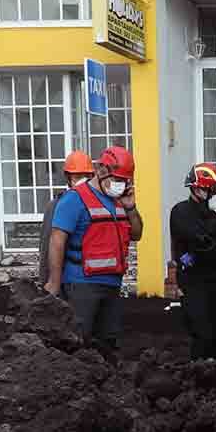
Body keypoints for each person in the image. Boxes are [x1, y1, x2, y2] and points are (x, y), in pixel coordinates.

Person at [43, 145, 144, 353]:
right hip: (81, 285)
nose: (120, 185)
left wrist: (131, 207)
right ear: (101, 171)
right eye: (117, 180)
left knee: (108, 344)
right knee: (79, 342)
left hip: (112, 284)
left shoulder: (120, 201)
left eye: (125, 181)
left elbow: (136, 234)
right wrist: (53, 282)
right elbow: (56, 241)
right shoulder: (74, 199)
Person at [171, 162, 216, 360]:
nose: (214, 195)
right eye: (211, 190)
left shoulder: (211, 215)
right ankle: (198, 375)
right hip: (193, 280)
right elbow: (197, 237)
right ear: (196, 188)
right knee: (202, 334)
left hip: (213, 279)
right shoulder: (181, 212)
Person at [39, 151, 94, 286]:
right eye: (77, 176)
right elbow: (47, 246)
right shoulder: (56, 206)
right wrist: (47, 281)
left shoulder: (100, 203)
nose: (82, 180)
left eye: (86, 176)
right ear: (68, 178)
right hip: (68, 279)